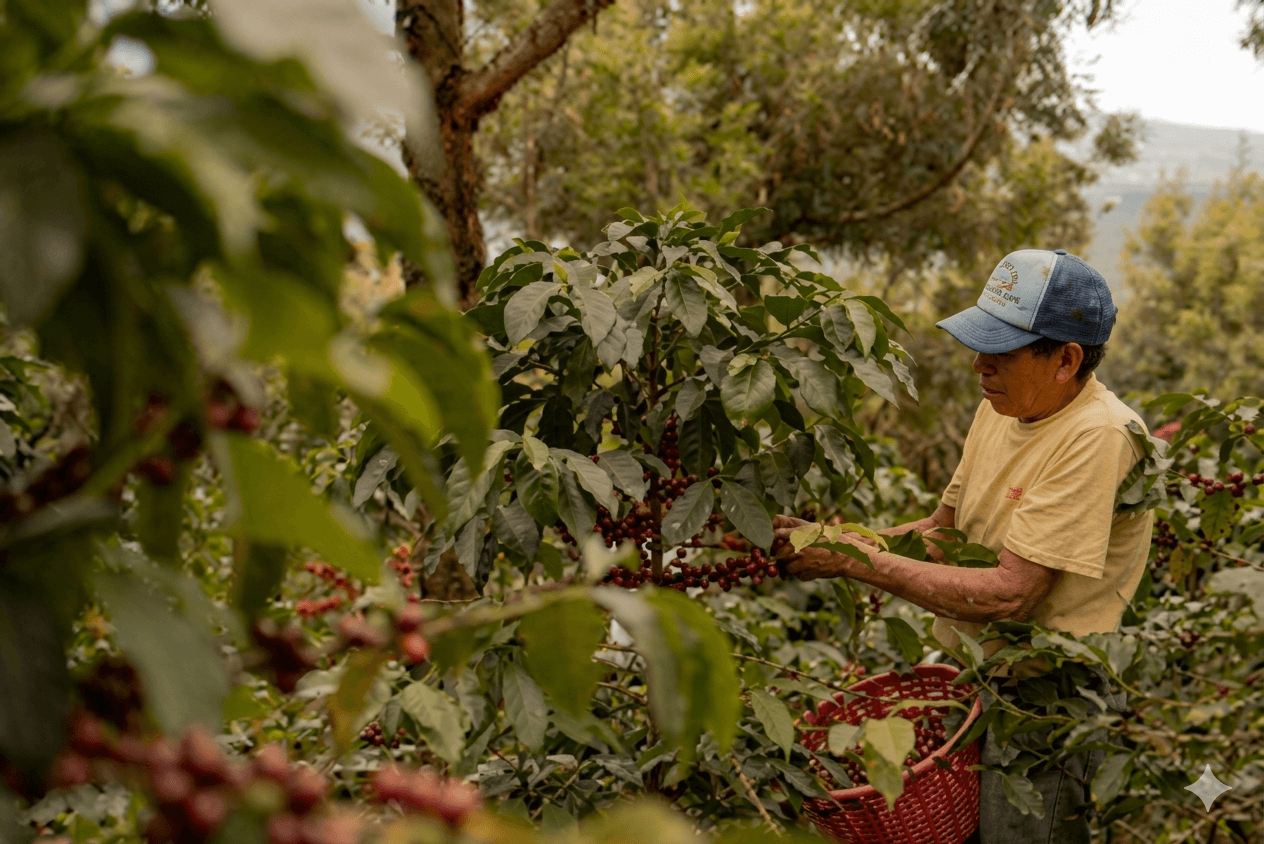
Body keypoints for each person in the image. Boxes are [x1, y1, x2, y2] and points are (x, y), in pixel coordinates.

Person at [773, 249, 1154, 844]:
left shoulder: (1098, 436)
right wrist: (836, 542)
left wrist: (857, 561)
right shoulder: (999, 407)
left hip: (1044, 698)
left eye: (1000, 350)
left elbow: (1010, 594)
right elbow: (942, 535)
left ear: (1065, 360)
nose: (978, 364)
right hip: (976, 672)